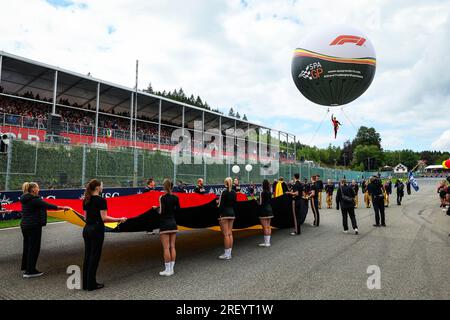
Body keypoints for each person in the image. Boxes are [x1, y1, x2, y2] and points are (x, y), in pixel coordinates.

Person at [82, 179, 127, 290]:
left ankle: (85, 284)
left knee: (87, 256)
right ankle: (91, 284)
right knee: (94, 256)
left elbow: (85, 217)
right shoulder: (101, 200)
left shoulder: (86, 200)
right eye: (102, 186)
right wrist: (119, 219)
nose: (103, 187)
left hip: (87, 229)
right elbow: (104, 218)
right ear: (97, 187)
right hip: (96, 230)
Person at [20, 182, 70, 278]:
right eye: (38, 188)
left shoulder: (25, 198)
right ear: (33, 189)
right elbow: (48, 205)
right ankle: (30, 271)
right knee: (34, 248)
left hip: (25, 225)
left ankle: (27, 267)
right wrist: (62, 207)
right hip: (33, 226)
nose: (39, 189)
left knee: (28, 247)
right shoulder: (34, 199)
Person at [154, 179, 180, 276]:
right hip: (173, 223)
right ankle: (171, 269)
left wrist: (155, 208)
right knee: (172, 246)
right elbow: (178, 210)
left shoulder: (162, 197)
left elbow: (161, 211)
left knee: (166, 248)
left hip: (164, 224)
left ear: (164, 187)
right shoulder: (176, 197)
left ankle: (167, 270)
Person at [217, 177, 237, 259]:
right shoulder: (234, 193)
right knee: (230, 233)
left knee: (226, 235)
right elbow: (235, 204)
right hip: (232, 213)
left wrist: (220, 215)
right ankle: (229, 253)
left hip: (225, 214)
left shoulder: (224, 192)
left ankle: (226, 254)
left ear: (225, 183)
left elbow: (220, 205)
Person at [258, 179, 274, 246]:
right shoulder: (270, 192)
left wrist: (257, 201)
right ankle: (268, 242)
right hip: (269, 210)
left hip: (264, 210)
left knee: (265, 227)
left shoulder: (262, 193)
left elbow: (260, 203)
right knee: (268, 226)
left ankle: (266, 242)